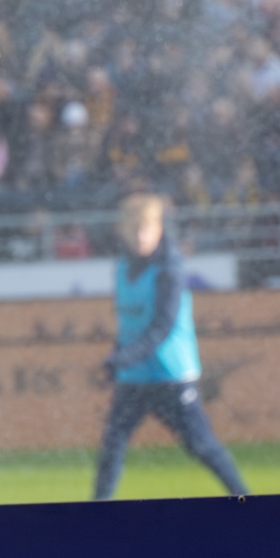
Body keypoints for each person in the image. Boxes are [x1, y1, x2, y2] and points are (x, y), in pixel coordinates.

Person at [92, 192, 249, 501]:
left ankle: (245, 498)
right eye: (134, 229)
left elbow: (161, 328)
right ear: (122, 231)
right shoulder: (121, 267)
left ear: (159, 229)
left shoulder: (170, 270)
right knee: (112, 446)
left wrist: (123, 358)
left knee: (201, 446)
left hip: (171, 374)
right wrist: (117, 359)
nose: (140, 236)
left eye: (146, 229)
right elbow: (128, 324)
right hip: (134, 377)